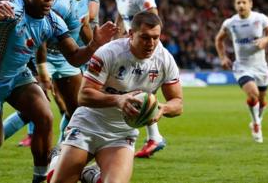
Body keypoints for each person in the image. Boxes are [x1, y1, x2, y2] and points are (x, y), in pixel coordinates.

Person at [0, 0, 117, 183]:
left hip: (19, 77)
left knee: (45, 117)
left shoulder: (54, 21)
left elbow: (74, 57)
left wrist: (93, 44)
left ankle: (40, 178)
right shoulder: (13, 10)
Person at [48, 11, 183, 183]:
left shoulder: (165, 60)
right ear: (131, 34)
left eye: (156, 38)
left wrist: (162, 108)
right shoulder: (109, 52)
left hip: (121, 133)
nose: (151, 44)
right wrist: (119, 100)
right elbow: (83, 96)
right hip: (88, 125)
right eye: (145, 37)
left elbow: (178, 103)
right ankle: (58, 160)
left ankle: (91, 175)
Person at [17, 0, 102, 147]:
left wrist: (101, 50)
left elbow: (83, 27)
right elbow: (42, 35)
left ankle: (62, 151)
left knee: (77, 110)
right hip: (46, 55)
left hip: (67, 58)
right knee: (32, 111)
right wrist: (42, 69)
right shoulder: (60, 0)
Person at [112, 0, 166, 158]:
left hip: (145, 50)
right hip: (129, 48)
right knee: (133, 89)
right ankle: (154, 137)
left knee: (139, 90)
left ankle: (153, 137)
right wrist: (115, 42)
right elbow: (120, 19)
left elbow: (154, 18)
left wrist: (147, 43)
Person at [215, 0, 268, 143]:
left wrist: (265, 40)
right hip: (242, 67)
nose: (241, 5)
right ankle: (256, 124)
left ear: (250, 4)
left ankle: (256, 121)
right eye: (238, 3)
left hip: (261, 67)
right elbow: (218, 40)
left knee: (262, 100)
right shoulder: (230, 23)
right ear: (234, 5)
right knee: (253, 94)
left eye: (244, 2)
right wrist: (223, 57)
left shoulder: (260, 19)